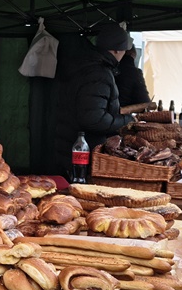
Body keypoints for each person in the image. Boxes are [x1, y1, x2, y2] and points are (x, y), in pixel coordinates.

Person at [52, 22, 136, 176]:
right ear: (118, 49)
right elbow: (93, 119)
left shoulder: (86, 64)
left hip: (71, 147)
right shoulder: (98, 73)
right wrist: (127, 121)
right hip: (82, 154)